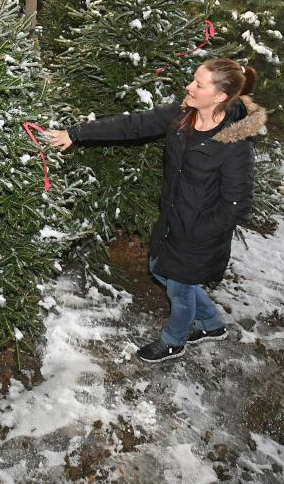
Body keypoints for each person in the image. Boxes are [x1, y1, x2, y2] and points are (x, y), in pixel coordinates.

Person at [46, 58, 265, 364]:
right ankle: (213, 324)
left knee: (179, 289)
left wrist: (197, 232)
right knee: (161, 271)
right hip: (172, 220)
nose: (189, 86)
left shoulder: (234, 144)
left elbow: (236, 206)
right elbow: (132, 125)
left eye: (198, 84)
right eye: (193, 79)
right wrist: (76, 133)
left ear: (219, 97)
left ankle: (174, 341)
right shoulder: (182, 115)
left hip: (200, 236)